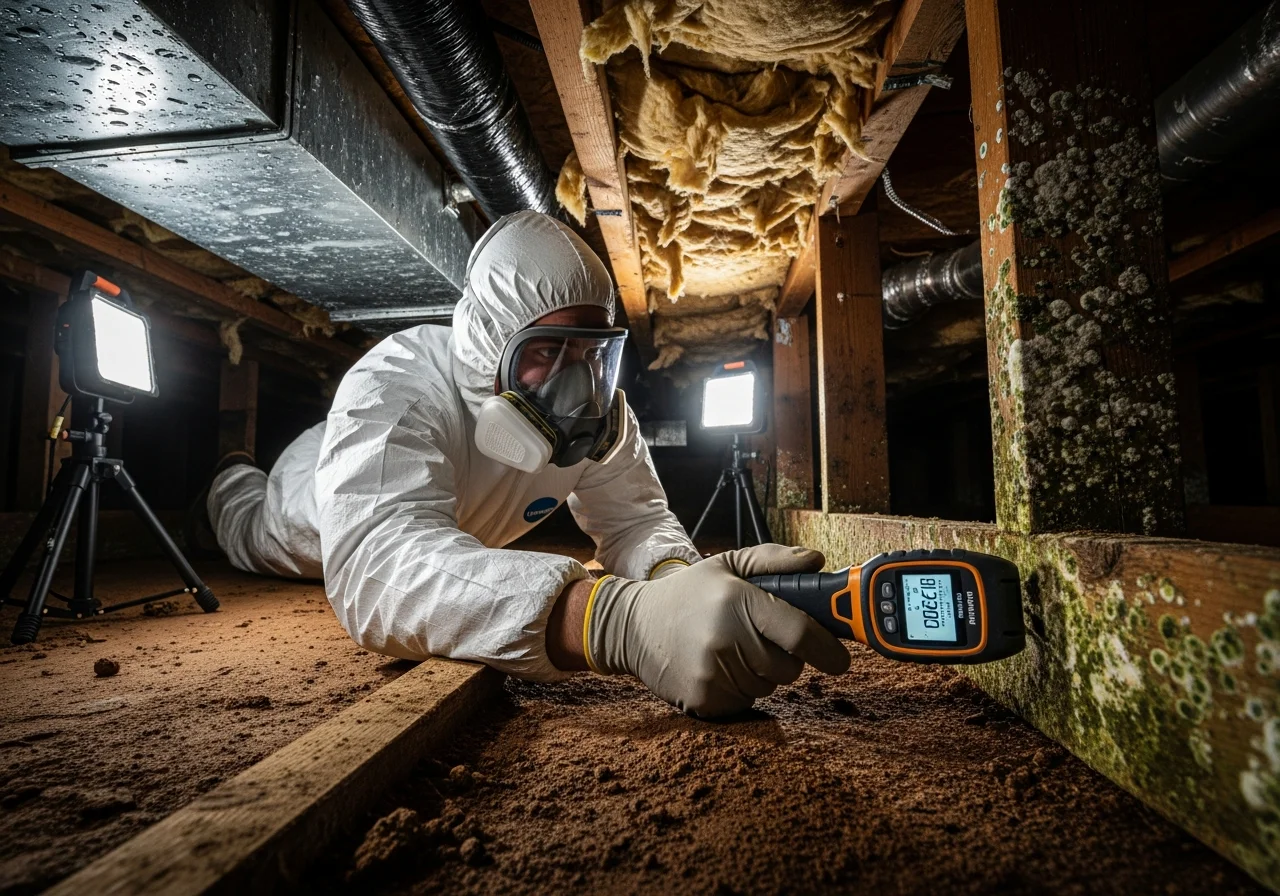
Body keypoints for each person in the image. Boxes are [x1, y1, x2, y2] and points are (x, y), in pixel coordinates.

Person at [203, 211, 849, 717]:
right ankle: (231, 462)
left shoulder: (602, 416)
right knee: (249, 530)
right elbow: (378, 568)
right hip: (317, 493)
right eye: (546, 350)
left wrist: (676, 580)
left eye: (592, 352)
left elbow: (635, 520)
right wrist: (614, 622)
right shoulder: (394, 386)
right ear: (490, 342)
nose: (577, 383)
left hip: (445, 517)